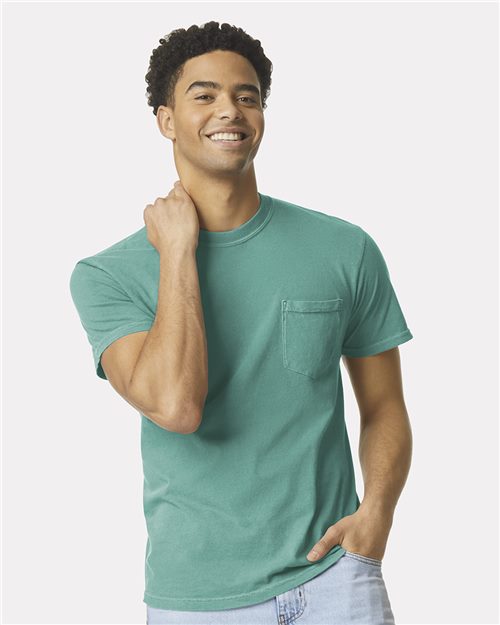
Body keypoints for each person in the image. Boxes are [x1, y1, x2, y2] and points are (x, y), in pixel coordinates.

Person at [69, 20, 414, 625]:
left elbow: (384, 405)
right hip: (197, 601)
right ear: (166, 119)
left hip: (335, 579)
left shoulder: (344, 248)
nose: (229, 109)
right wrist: (178, 251)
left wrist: (377, 514)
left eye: (246, 95)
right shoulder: (109, 274)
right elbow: (176, 407)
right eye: (203, 95)